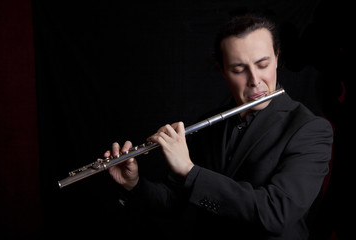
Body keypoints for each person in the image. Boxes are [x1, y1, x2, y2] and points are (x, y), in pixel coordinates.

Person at [104, 13, 333, 239]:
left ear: (276, 57)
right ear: (222, 70)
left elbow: (276, 214)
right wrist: (134, 184)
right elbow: (172, 202)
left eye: (263, 64)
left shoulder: (309, 130)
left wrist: (189, 170)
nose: (254, 79)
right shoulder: (210, 125)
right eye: (238, 69)